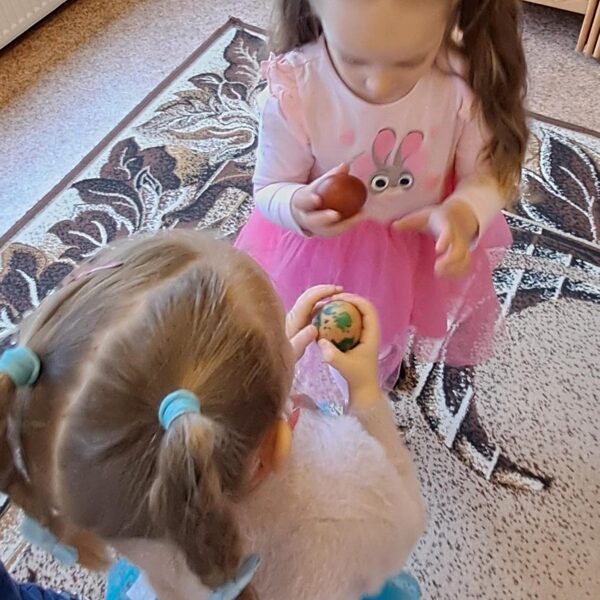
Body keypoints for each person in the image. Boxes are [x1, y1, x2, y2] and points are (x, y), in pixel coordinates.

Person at [0, 231, 425, 600]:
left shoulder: (123, 502)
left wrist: (260, 383)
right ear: (274, 444)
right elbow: (404, 518)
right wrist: (364, 392)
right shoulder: (342, 498)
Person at [234, 0, 528, 388]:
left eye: (410, 61)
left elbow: (489, 173)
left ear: (453, 16)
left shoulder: (464, 80)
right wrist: (294, 207)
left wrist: (462, 211)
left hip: (417, 241)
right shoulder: (296, 88)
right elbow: (269, 186)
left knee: (396, 314)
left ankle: (386, 359)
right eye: (353, 60)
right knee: (329, 329)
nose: (380, 85)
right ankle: (346, 382)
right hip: (327, 251)